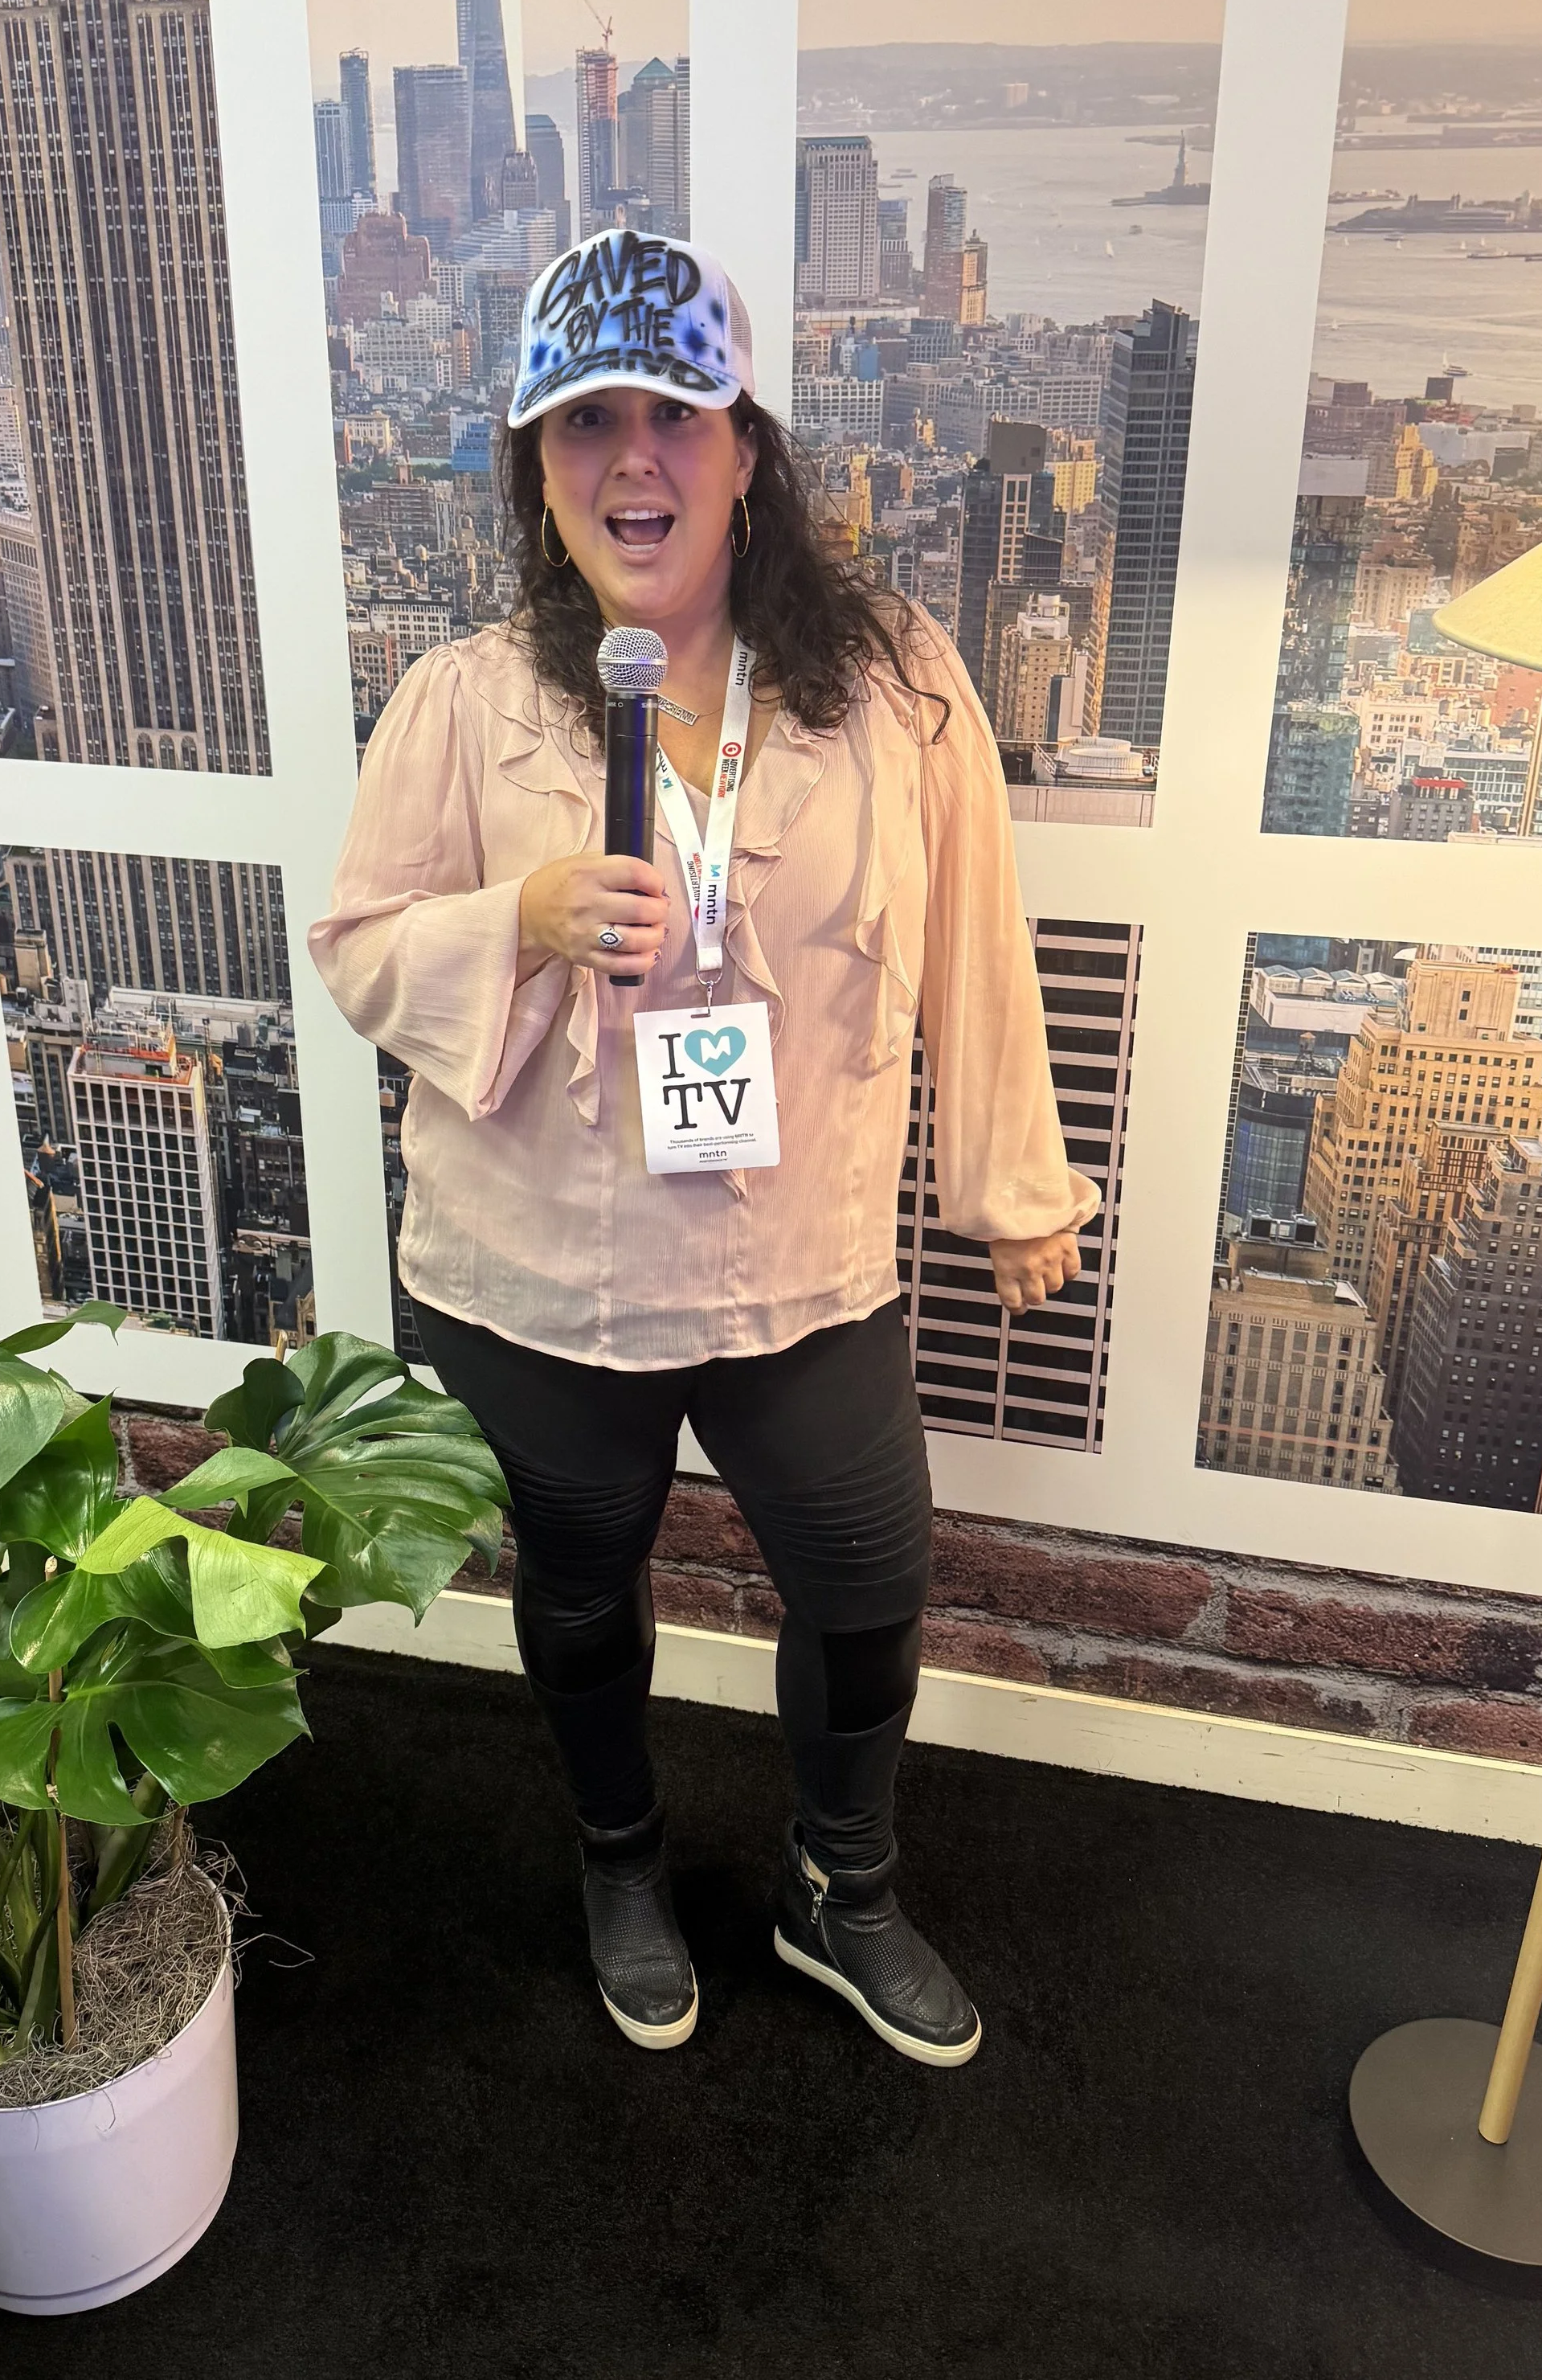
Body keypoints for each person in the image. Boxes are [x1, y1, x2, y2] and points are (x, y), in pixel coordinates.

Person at [309, 229, 1099, 2067]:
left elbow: (980, 929)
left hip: (799, 1248)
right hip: (536, 1266)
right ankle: (616, 1858)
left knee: (861, 1573)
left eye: (672, 410)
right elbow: (358, 945)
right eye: (584, 421)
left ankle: (843, 1886)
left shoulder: (890, 684)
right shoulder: (470, 698)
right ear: (534, 464)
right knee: (580, 1589)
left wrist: (1006, 1182)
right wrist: (516, 914)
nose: (631, 460)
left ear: (746, 444)